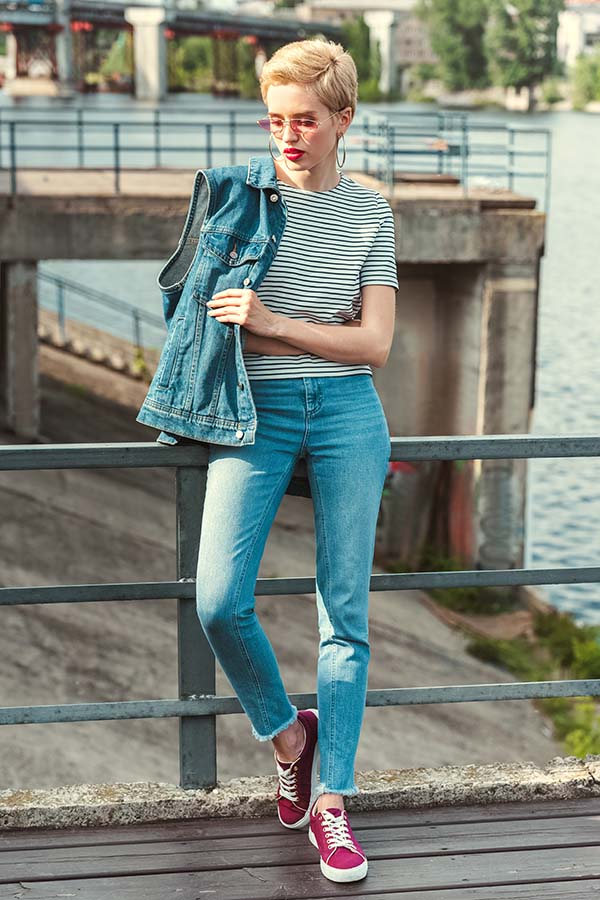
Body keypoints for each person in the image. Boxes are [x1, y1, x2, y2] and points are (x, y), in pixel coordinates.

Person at [195, 38, 399, 884]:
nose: (289, 135)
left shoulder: (371, 213)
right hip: (257, 413)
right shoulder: (242, 199)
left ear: (344, 120)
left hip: (350, 414)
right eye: (276, 118)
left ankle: (332, 803)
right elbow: (190, 301)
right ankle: (289, 736)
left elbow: (375, 344)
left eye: (306, 121)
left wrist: (274, 322)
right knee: (217, 599)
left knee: (343, 618)